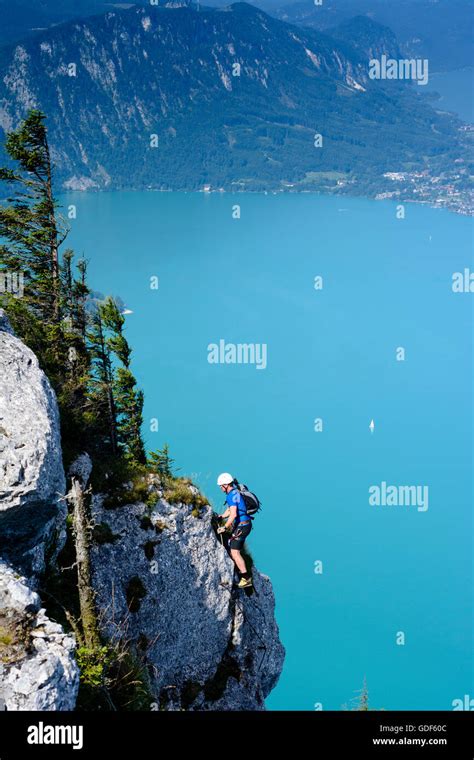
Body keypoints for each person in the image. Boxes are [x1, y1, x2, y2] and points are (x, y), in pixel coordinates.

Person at [216, 472, 253, 588]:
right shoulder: (235, 492)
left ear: (226, 485)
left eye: (221, 486)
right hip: (245, 524)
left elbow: (233, 515)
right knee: (233, 546)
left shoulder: (231, 495)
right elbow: (230, 510)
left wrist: (224, 527)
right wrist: (221, 516)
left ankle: (246, 579)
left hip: (242, 526)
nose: (220, 488)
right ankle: (241, 570)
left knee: (235, 552)